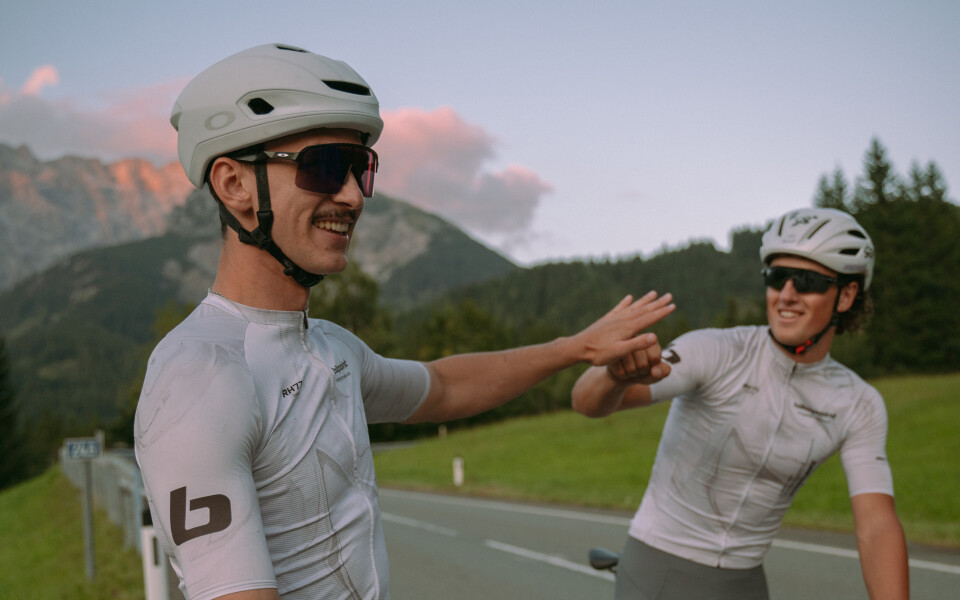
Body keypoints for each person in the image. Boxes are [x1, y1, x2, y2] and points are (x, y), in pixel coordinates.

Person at [134, 43, 675, 600]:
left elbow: (443, 387)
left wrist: (577, 348)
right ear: (234, 185)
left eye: (359, 168)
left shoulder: (329, 348)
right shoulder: (199, 376)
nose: (351, 195)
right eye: (322, 166)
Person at [572, 207, 909, 600]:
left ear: (847, 295)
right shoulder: (716, 351)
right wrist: (614, 375)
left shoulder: (858, 403)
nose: (787, 295)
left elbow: (876, 525)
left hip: (744, 581)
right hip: (657, 565)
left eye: (807, 281)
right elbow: (586, 401)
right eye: (777, 277)